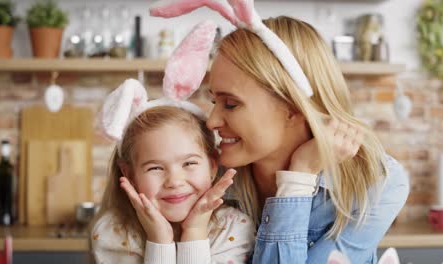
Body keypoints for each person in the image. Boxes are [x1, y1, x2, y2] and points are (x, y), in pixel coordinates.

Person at [150, 1, 410, 263]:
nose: (212, 121)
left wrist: (298, 178)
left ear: (292, 108)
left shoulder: (376, 183)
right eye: (215, 102)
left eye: (231, 104)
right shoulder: (204, 180)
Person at [91, 21, 255, 264]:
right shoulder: (113, 233)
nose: (175, 182)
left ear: (212, 166)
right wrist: (160, 240)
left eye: (189, 163)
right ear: (129, 174)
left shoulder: (234, 229)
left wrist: (195, 233)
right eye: (155, 168)